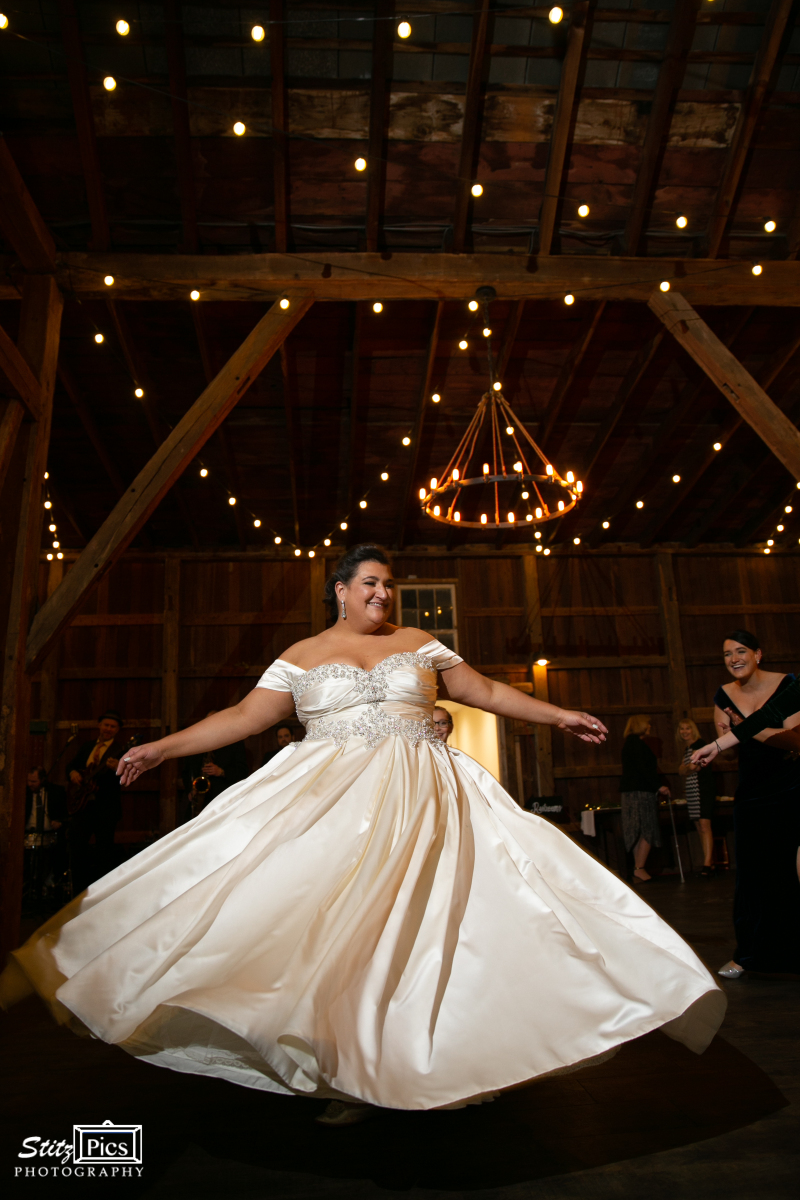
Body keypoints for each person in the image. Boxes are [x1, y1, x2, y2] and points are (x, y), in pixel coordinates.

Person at [2, 544, 725, 1128]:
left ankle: (446, 1062)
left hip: (427, 797)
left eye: (389, 585)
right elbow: (243, 718)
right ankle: (343, 1068)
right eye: (371, 583)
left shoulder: (420, 642)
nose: (383, 594)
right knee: (333, 930)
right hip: (331, 803)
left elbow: (486, 693)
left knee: (432, 931)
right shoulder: (303, 652)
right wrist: (163, 748)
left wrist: (558, 714)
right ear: (340, 590)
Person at [689, 631, 800, 980]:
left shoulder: (787, 685)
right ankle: (749, 955)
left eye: (741, 651)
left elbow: (794, 741)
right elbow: (729, 751)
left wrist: (746, 729)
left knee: (789, 872)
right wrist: (724, 741)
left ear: (758, 654)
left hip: (791, 788)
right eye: (727, 654)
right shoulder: (724, 695)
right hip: (751, 793)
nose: (734, 659)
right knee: (751, 876)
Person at [66, 711, 125, 893]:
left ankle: (102, 893)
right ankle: (78, 892)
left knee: (104, 851)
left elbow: (126, 778)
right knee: (77, 848)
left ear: (117, 730)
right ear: (99, 725)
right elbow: (71, 765)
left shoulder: (121, 750)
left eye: (113, 727)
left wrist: (117, 769)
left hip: (105, 808)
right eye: (106, 725)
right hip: (83, 806)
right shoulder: (87, 746)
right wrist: (73, 773)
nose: (108, 729)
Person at [620, 715, 670, 884]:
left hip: (632, 792)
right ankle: (639, 868)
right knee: (647, 828)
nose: (649, 726)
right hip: (641, 793)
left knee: (637, 829)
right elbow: (644, 769)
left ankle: (638, 868)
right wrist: (659, 786)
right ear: (640, 725)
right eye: (647, 724)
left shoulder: (631, 743)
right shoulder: (637, 745)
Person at [182, 711, 249, 814]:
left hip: (223, 799)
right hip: (200, 801)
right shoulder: (196, 743)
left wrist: (221, 771)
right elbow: (186, 771)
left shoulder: (234, 742)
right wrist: (190, 790)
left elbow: (242, 771)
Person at [677, 719, 717, 876]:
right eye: (682, 729)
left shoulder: (700, 745)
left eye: (687, 728)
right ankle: (709, 861)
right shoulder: (687, 749)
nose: (684, 732)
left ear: (693, 730)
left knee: (705, 824)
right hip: (692, 789)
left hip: (703, 788)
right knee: (699, 826)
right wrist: (687, 768)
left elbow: (694, 767)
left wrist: (687, 768)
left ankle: (707, 863)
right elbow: (681, 770)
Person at [24, 768, 68, 902]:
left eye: (34, 781)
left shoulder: (55, 792)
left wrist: (59, 822)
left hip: (50, 834)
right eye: (28, 781)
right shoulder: (24, 792)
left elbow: (65, 814)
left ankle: (49, 887)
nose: (30, 784)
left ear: (42, 780)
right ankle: (28, 888)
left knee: (56, 855)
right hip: (28, 834)